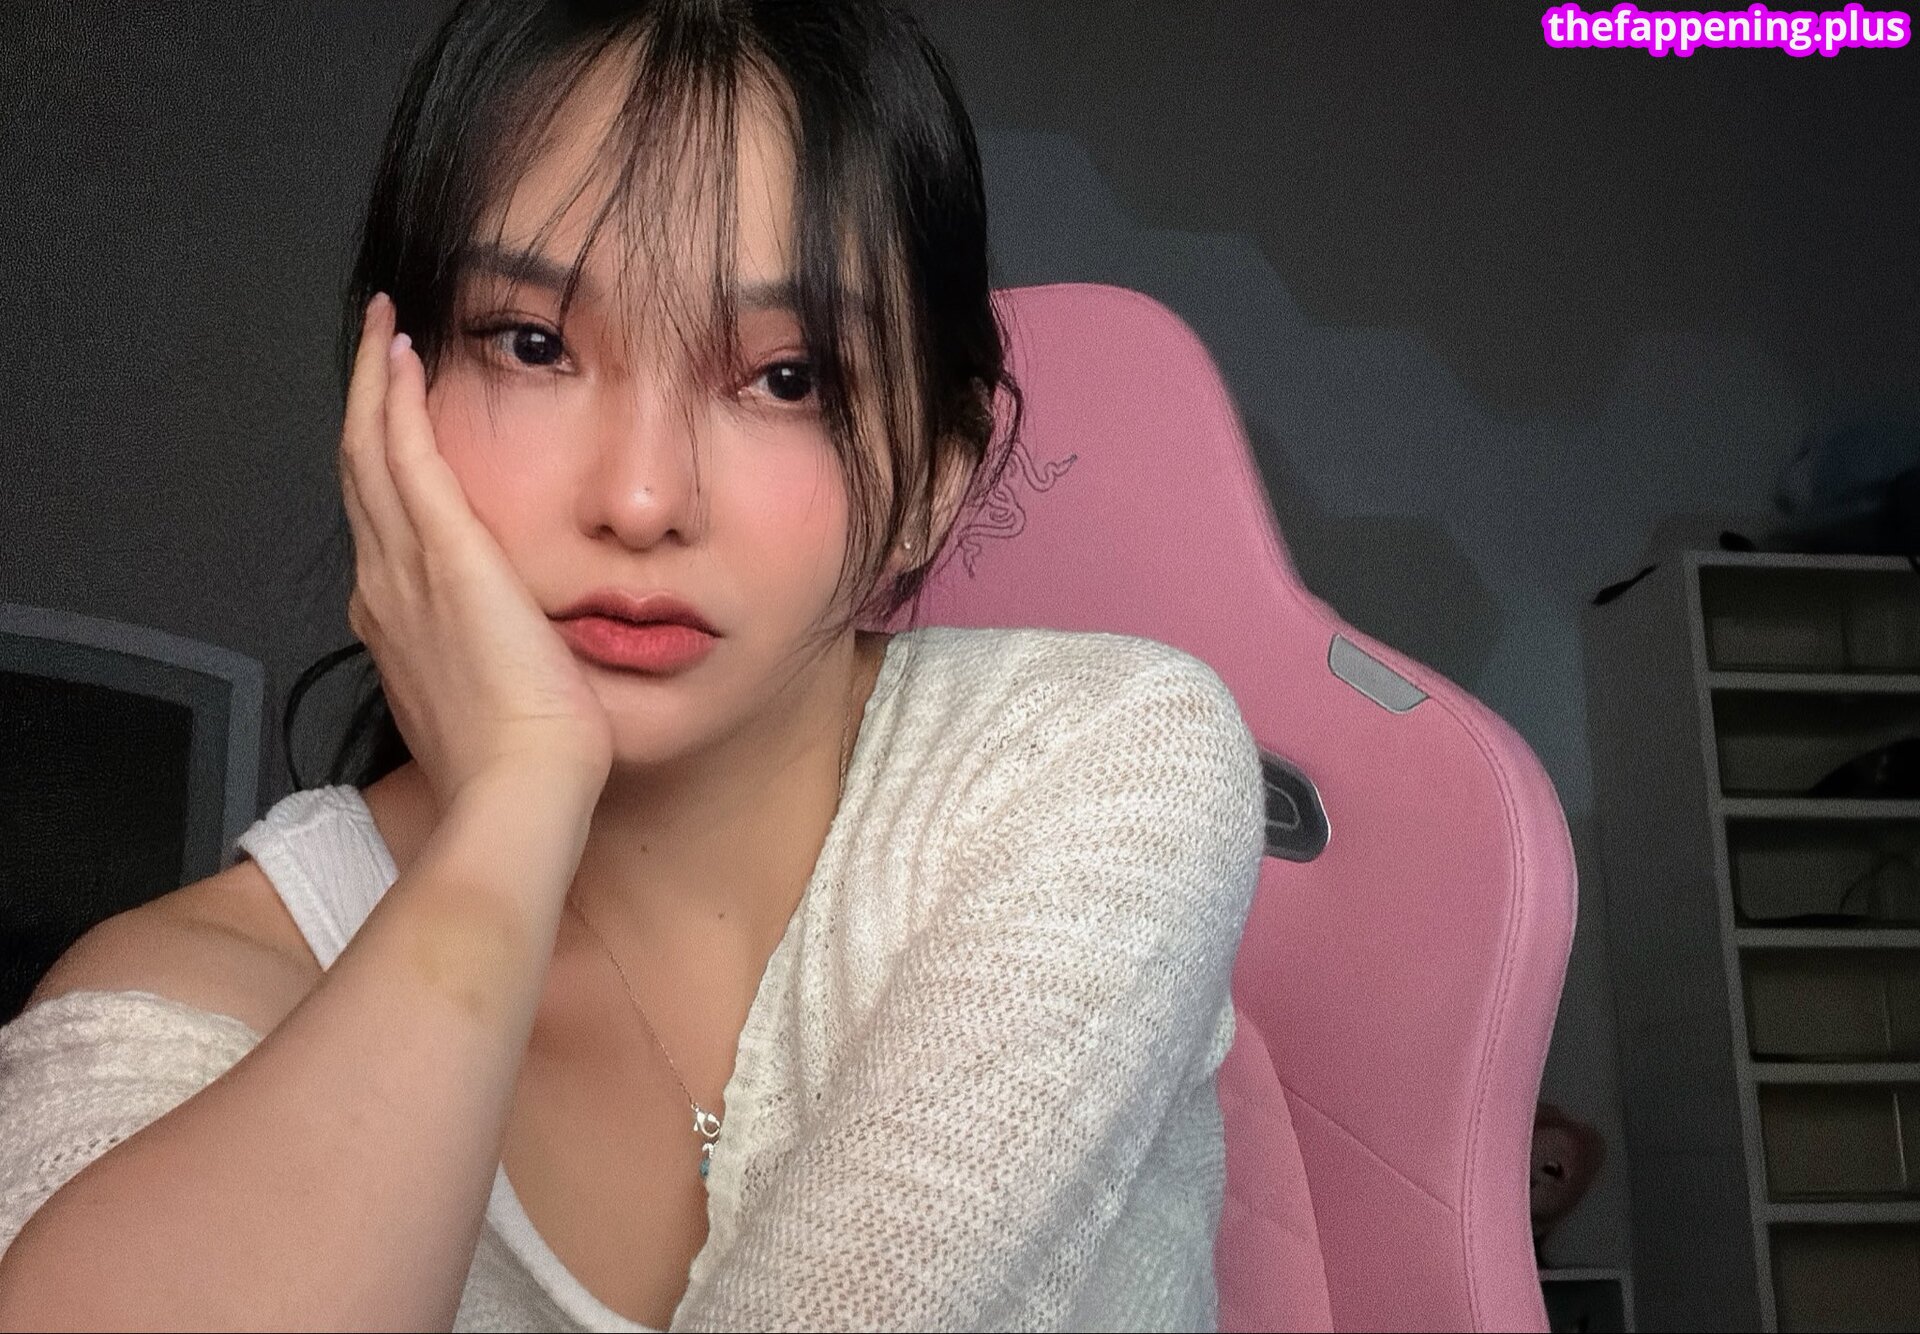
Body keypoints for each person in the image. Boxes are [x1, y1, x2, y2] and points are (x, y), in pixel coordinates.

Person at [0, 2, 1265, 1329]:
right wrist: (514, 808)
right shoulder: (178, 1009)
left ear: (935, 480)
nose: (644, 498)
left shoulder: (1095, 764)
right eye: (533, 344)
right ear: (387, 398)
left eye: (787, 377)